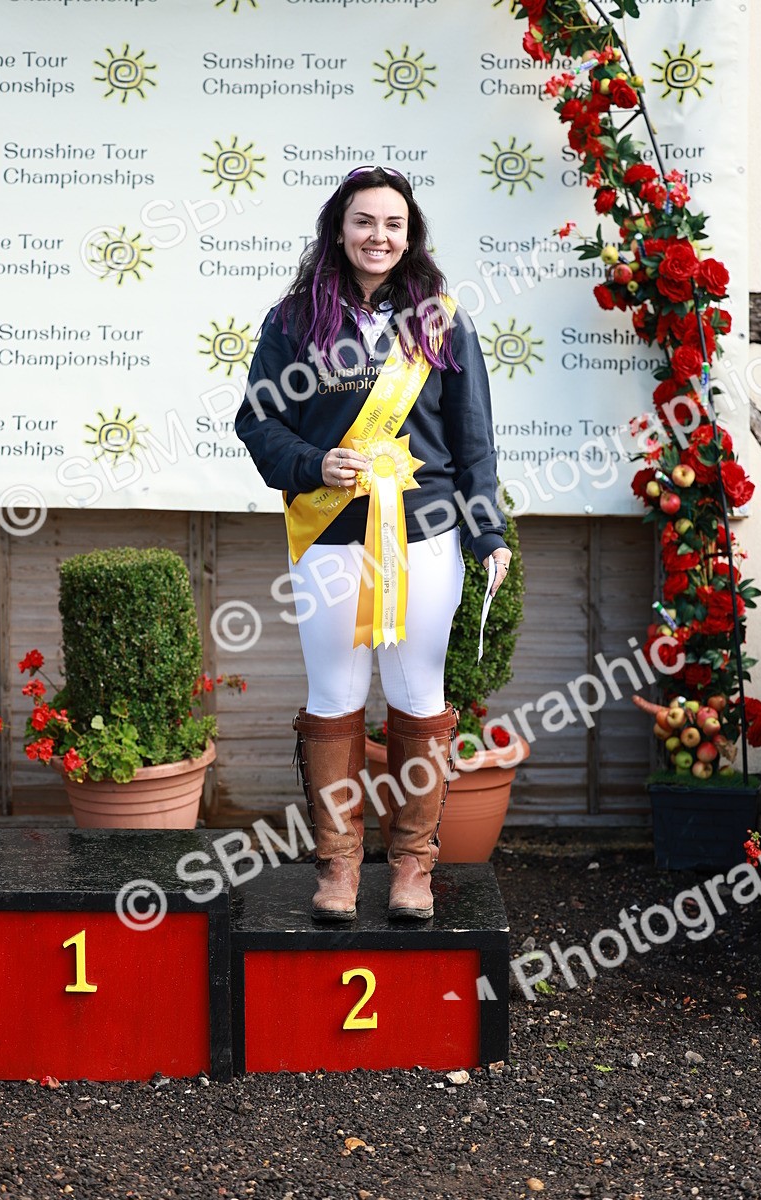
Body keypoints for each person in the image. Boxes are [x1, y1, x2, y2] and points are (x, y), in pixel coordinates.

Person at [236, 166, 511, 922]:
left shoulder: (442, 321)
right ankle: (339, 866)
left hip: (425, 537)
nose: (378, 237)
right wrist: (311, 462)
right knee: (334, 699)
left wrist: (487, 531)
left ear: (410, 234)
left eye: (393, 224)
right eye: (363, 222)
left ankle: (414, 868)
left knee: (419, 695)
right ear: (338, 229)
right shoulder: (293, 321)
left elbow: (474, 440)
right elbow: (257, 422)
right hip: (327, 535)